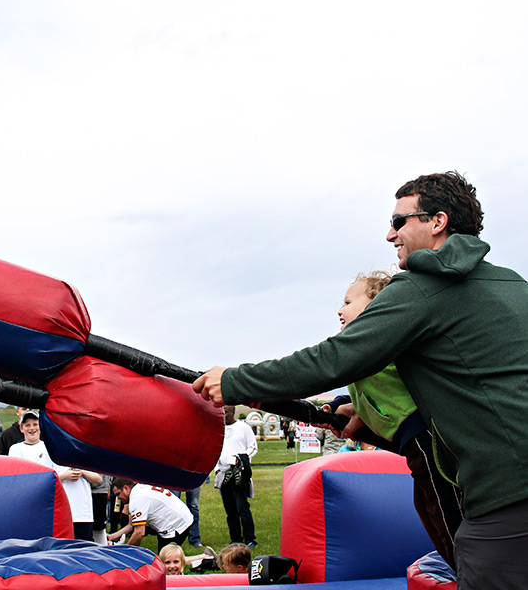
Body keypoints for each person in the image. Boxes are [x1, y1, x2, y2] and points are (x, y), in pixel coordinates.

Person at [193, 171, 528, 589]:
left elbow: (335, 359)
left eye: (399, 221)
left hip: (506, 495)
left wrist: (238, 380)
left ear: (437, 221)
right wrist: (367, 412)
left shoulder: (424, 287)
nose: (390, 235)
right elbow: (475, 384)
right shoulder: (512, 284)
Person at [314, 271, 462, 568]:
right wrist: (347, 406)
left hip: (427, 438)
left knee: (445, 513)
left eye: (347, 301)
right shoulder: (366, 347)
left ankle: (471, 571)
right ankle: (460, 567)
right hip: (414, 447)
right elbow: (373, 389)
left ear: (377, 307)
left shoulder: (385, 338)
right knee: (427, 508)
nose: (339, 310)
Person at [9, 410, 102, 540]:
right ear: (21, 428)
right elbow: (41, 479)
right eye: (27, 425)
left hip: (82, 512)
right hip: (56, 510)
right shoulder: (45, 451)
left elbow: (98, 479)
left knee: (82, 546)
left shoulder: (76, 449)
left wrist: (81, 471)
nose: (32, 428)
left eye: (35, 424)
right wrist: (64, 476)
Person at [107, 478, 193, 551]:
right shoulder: (138, 489)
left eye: (118, 494)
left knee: (166, 562)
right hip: (180, 518)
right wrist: (112, 536)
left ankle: (201, 559)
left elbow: (139, 533)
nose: (118, 498)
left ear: (126, 488)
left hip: (176, 525)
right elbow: (131, 525)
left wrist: (125, 553)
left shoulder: (137, 499)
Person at [214, 406, 257, 548]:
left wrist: (241, 459)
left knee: (242, 507)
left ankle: (250, 539)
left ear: (233, 412)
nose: (224, 415)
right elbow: (214, 449)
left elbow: (253, 447)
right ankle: (235, 538)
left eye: (226, 412)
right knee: (230, 509)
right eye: (222, 412)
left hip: (239, 472)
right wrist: (216, 468)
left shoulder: (243, 428)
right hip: (223, 473)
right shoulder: (218, 428)